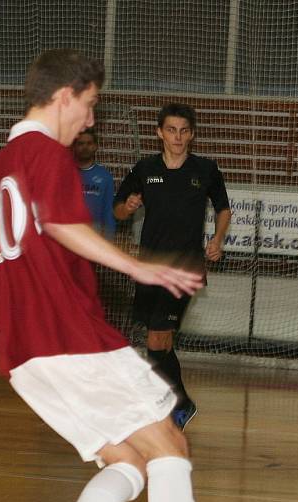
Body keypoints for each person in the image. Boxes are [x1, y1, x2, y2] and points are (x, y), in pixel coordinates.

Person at [0, 49, 253, 502]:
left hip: (27, 358)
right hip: (73, 340)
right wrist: (138, 268)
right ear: (64, 96)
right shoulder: (43, 155)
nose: (90, 120)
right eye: (88, 106)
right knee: (170, 448)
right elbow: (64, 226)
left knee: (130, 462)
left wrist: (18, 324)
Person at [114, 103, 231, 430]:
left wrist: (217, 239)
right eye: (171, 130)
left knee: (157, 338)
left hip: (185, 267)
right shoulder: (144, 169)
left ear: (191, 134)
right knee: (157, 341)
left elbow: (223, 208)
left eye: (183, 130)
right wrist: (129, 205)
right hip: (149, 267)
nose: (177, 137)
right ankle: (178, 403)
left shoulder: (205, 169)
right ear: (159, 132)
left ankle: (171, 406)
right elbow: (118, 211)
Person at [72, 127, 116, 241]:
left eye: (89, 143)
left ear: (95, 146)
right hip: (70, 230)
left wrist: (109, 241)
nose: (85, 147)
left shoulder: (105, 176)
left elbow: (108, 211)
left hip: (94, 233)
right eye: (80, 144)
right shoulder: (65, 173)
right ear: (74, 147)